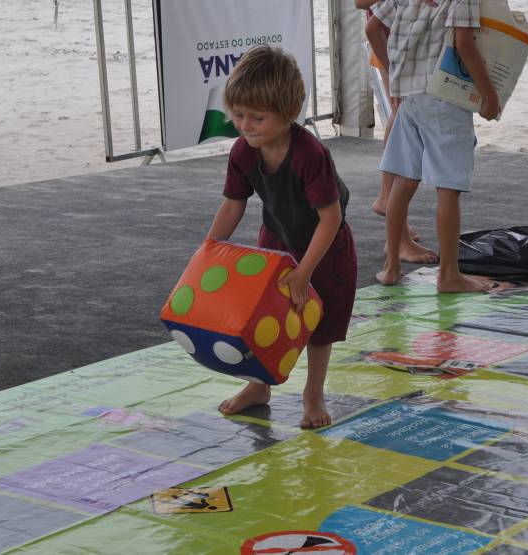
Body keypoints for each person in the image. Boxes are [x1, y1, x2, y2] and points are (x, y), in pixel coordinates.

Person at [206, 45, 357, 429]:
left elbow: (330, 219)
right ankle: (259, 386)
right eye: (238, 115)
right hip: (276, 243)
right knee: (264, 317)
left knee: (318, 326)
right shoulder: (243, 151)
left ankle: (313, 394)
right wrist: (209, 250)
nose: (245, 125)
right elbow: (233, 204)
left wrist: (305, 273)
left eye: (257, 118)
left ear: (288, 112)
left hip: (325, 250)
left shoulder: (310, 154)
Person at [371, 0, 505, 292]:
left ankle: (391, 266)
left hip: (409, 99)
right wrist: (490, 95)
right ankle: (449, 275)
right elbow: (464, 45)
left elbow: (372, 28)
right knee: (448, 188)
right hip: (445, 97)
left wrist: (394, 74)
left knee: (403, 180)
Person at [356, 0, 438, 265]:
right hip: (394, 42)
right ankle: (398, 237)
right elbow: (361, 4)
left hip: (407, 39)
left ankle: (394, 219)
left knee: (401, 115)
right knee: (403, 117)